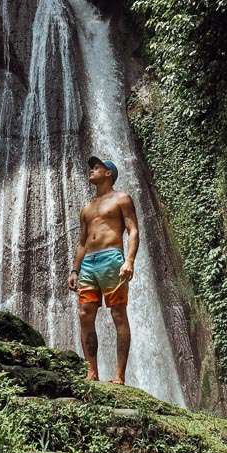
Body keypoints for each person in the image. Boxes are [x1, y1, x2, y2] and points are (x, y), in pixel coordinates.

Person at [67, 155, 138, 384]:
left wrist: (129, 260)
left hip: (112, 258)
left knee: (118, 313)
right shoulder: (86, 208)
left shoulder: (121, 198)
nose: (92, 170)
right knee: (85, 314)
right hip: (89, 262)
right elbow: (82, 242)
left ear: (109, 173)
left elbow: (133, 230)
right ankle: (92, 372)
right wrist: (75, 270)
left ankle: (119, 375)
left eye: (96, 167)